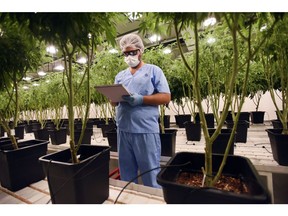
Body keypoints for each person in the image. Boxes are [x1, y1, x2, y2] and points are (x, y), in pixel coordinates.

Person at [113, 33, 171, 188]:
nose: (129, 56)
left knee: (150, 173)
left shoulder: (153, 71)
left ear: (140, 51)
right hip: (124, 130)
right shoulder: (120, 76)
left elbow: (166, 97)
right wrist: (113, 98)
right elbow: (114, 102)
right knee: (126, 174)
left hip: (145, 130)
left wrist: (142, 99)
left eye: (132, 52)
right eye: (126, 53)